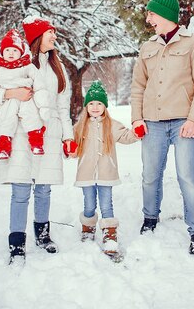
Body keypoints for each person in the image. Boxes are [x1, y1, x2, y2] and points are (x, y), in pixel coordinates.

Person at [0, 17, 74, 263]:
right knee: (21, 189)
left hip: (51, 132)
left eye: (54, 32)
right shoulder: (16, 62)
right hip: (22, 132)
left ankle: (43, 236)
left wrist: (68, 136)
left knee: (44, 189)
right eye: (49, 32)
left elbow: (63, 105)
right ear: (37, 37)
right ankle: (16, 245)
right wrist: (11, 93)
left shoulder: (58, 66)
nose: (54, 36)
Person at [130, 0, 194, 254]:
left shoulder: (193, 43)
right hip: (152, 122)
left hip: (183, 123)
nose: (148, 18)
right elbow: (138, 86)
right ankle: (150, 218)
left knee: (187, 175)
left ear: (165, 15)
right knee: (149, 175)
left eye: (151, 13)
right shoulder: (147, 47)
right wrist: (136, 118)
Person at [70, 80, 140, 258]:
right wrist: (68, 148)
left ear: (105, 106)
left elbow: (125, 136)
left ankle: (110, 236)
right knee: (89, 204)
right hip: (86, 173)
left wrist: (136, 133)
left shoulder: (112, 125)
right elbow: (71, 146)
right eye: (91, 103)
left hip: (106, 172)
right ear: (86, 106)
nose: (95, 107)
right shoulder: (80, 126)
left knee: (106, 204)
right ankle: (88, 228)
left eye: (99, 103)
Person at [0, 28, 49, 160]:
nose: (11, 53)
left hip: (27, 99)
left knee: (31, 117)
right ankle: (3, 147)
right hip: (7, 102)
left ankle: (37, 143)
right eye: (7, 50)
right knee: (6, 120)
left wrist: (44, 106)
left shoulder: (28, 66)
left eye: (15, 50)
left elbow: (40, 86)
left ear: (20, 53)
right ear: (2, 52)